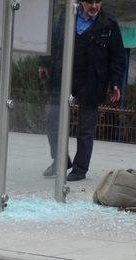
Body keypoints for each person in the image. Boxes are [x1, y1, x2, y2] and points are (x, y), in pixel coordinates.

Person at [40, 0, 126, 181]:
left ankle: (80, 168)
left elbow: (117, 56)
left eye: (98, 2)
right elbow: (54, 40)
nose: (94, 6)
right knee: (52, 119)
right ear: (80, 2)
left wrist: (116, 82)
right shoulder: (67, 15)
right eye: (89, 2)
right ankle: (61, 160)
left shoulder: (109, 23)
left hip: (92, 80)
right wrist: (44, 63)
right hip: (63, 76)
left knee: (85, 127)